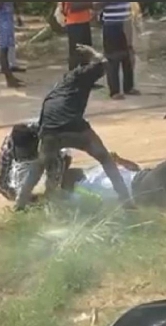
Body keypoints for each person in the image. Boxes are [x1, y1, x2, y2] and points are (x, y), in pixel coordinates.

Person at [38, 43, 134, 209]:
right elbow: (104, 64)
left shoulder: (62, 82)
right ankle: (126, 200)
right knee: (105, 158)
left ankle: (50, 205)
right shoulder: (83, 74)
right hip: (71, 124)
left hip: (48, 128)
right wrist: (92, 51)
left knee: (50, 168)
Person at [61, 150, 166, 204]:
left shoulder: (94, 171)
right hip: (140, 189)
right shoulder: (80, 191)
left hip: (144, 179)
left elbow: (135, 168)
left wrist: (120, 161)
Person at [0, 120, 71, 210]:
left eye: (28, 155)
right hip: (30, 158)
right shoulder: (8, 148)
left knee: (57, 184)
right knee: (20, 191)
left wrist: (49, 194)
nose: (26, 157)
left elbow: (59, 163)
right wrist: (24, 198)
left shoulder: (49, 140)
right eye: (23, 156)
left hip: (49, 147)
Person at [95, 2, 140, 100]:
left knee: (128, 55)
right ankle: (114, 91)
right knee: (112, 58)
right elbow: (96, 5)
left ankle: (128, 87)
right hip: (111, 24)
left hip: (126, 22)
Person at [0, 2, 25, 73]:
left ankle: (12, 64)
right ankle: (4, 67)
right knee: (1, 44)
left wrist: (17, 15)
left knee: (10, 43)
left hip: (7, 19)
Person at [0, 2, 25, 87]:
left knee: (7, 49)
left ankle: (10, 76)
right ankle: (8, 78)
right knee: (3, 49)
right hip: (3, 21)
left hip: (7, 20)